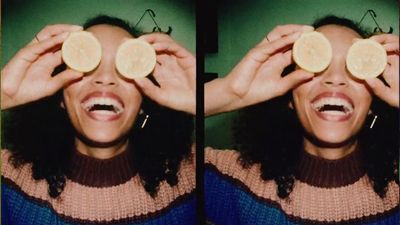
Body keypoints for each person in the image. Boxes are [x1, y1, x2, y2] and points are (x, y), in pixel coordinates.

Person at [1, 15, 196, 225]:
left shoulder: (193, 174)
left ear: (145, 100)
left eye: (124, 67)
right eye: (87, 63)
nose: (105, 78)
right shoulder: (7, 176)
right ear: (61, 96)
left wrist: (202, 99)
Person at [204, 15, 399, 224]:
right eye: (317, 65)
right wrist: (230, 93)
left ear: (374, 102)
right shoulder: (236, 179)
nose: (335, 78)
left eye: (353, 67)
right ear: (289, 96)